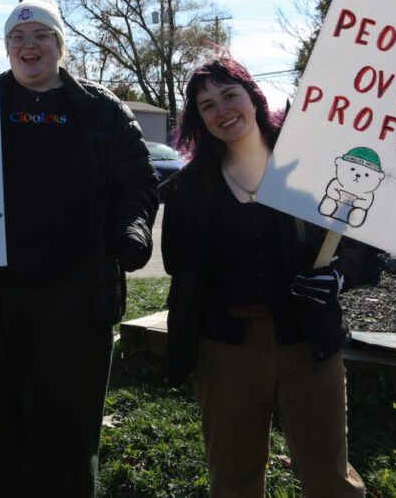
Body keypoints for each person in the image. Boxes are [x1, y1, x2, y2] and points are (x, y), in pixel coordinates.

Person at [0, 0, 158, 496]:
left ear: (60, 45)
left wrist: (134, 229)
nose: (29, 45)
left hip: (74, 299)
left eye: (41, 35)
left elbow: (138, 182)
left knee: (64, 429)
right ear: (6, 48)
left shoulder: (101, 110)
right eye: (17, 38)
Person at [161, 56, 380, 497]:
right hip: (225, 349)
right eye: (207, 106)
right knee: (234, 477)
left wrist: (338, 277)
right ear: (199, 120)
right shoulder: (191, 188)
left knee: (328, 478)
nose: (222, 110)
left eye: (229, 95)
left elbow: (361, 241)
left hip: (308, 342)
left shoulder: (311, 165)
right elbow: (179, 269)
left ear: (252, 97)